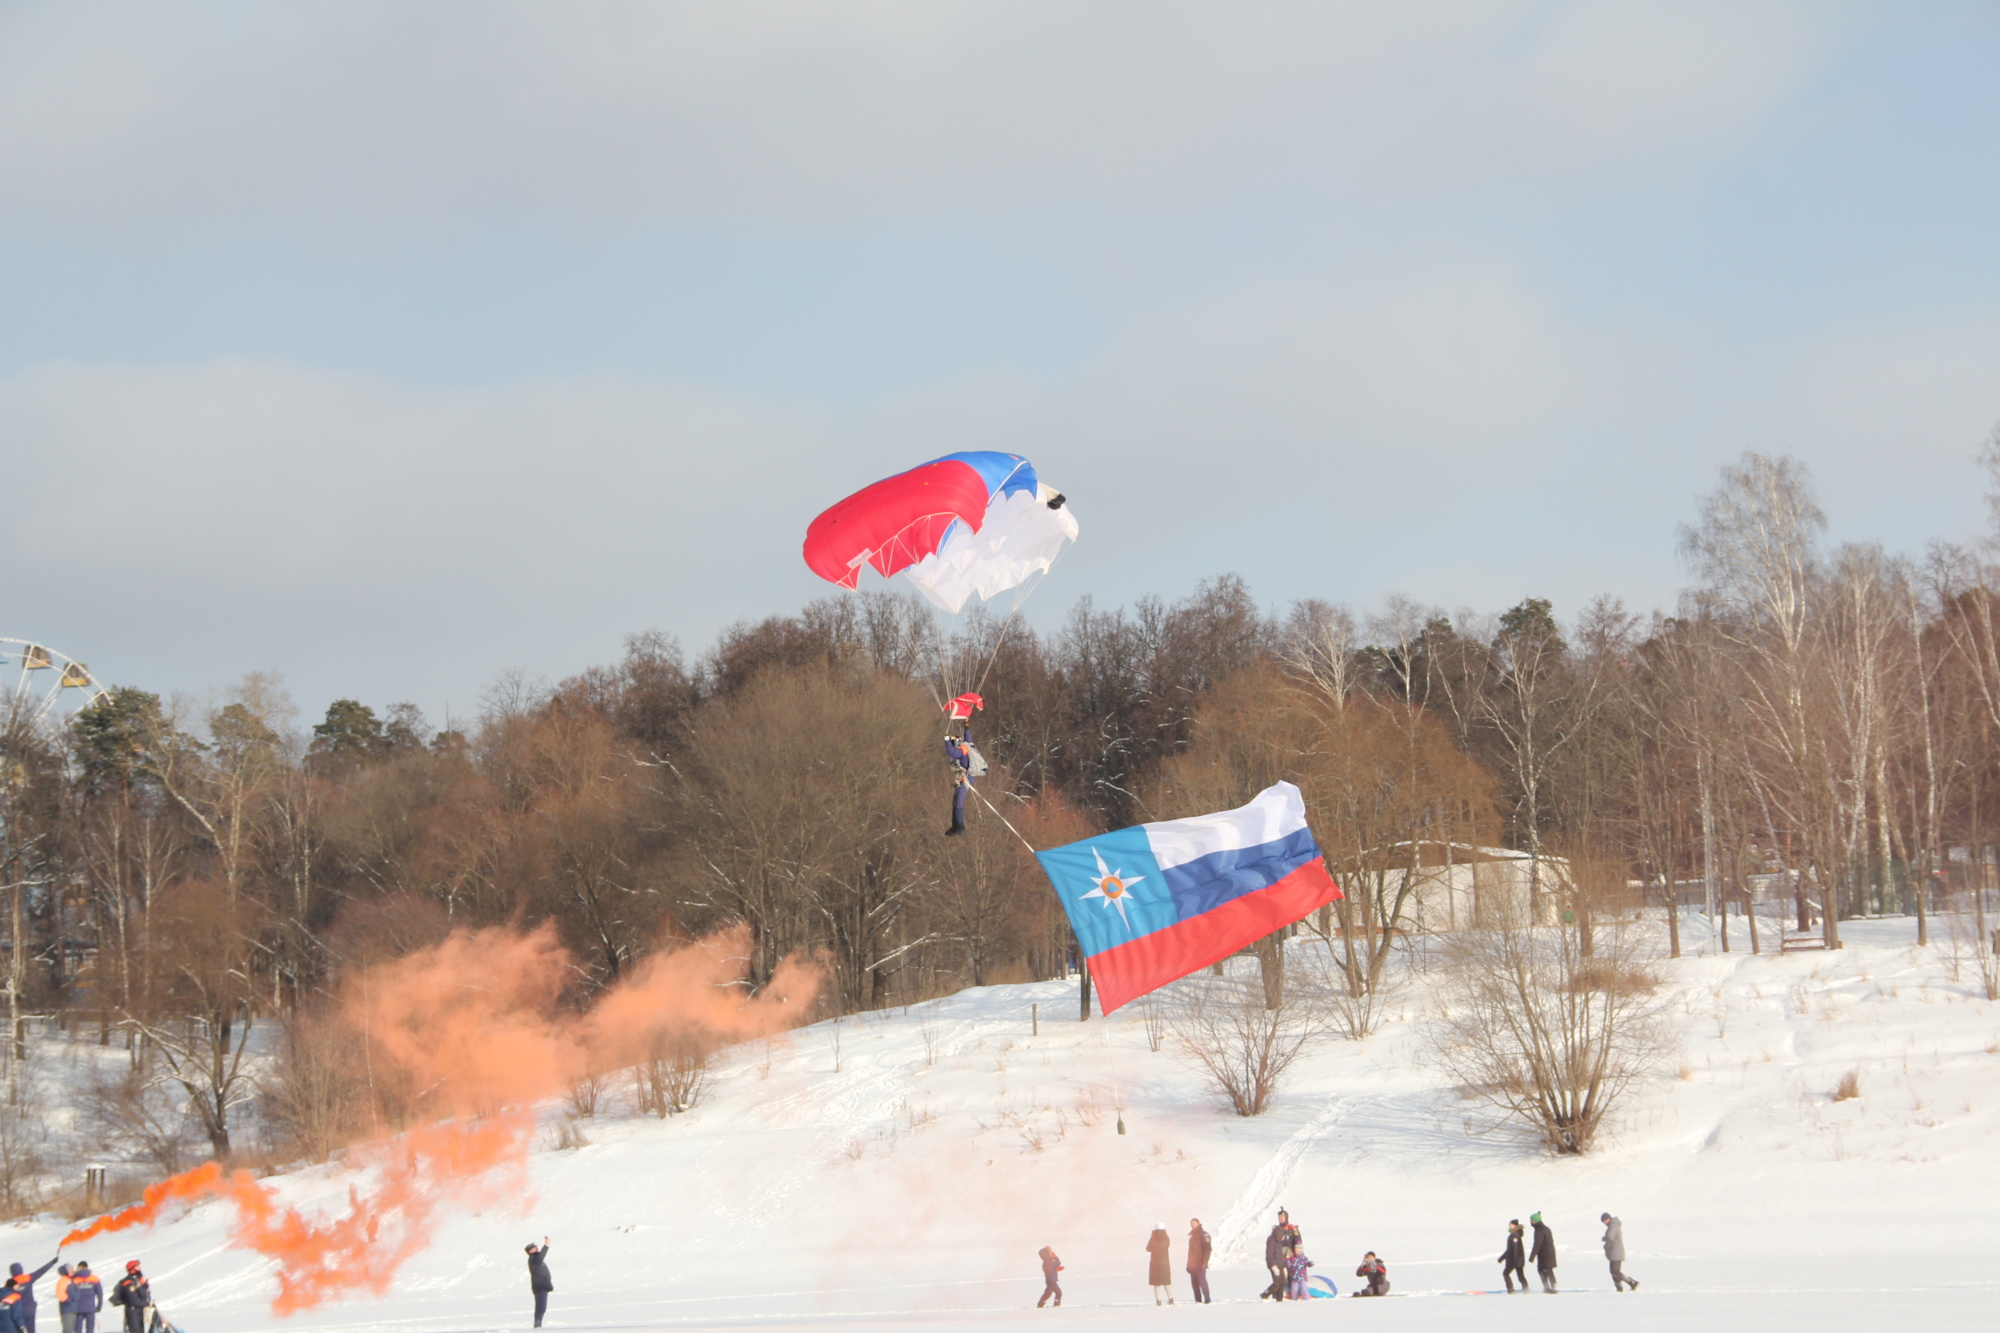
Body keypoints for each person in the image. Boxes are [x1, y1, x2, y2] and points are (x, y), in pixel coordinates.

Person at [6, 1260, 57, 1333]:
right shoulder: (28, 1278)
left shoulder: (9, 1283)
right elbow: (41, 1271)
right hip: (30, 1310)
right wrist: (52, 1262)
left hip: (18, 1312)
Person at [1261, 1208, 1300, 1300]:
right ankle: (1276, 1295)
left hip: (1289, 1254)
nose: (1280, 1218)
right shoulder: (1276, 1230)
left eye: (1282, 1217)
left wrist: (1298, 1255)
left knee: (1289, 1275)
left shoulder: (1292, 1228)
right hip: (1278, 1255)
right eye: (1279, 1217)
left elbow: (1298, 1242)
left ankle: (1291, 1293)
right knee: (1278, 1278)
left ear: (1286, 1217)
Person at [944, 729, 978, 835]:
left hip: (965, 779)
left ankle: (960, 826)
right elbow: (968, 738)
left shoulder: (963, 749)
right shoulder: (969, 745)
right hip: (963, 778)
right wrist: (966, 727)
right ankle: (955, 826)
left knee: (959, 802)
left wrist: (946, 741)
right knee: (955, 801)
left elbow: (952, 752)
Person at [1600, 1213, 1639, 1291]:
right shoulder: (1613, 1225)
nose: (1605, 1222)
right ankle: (1619, 1287)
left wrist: (1604, 1238)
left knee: (1615, 1271)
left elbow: (1610, 1237)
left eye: (1605, 1220)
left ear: (1609, 1219)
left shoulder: (1613, 1225)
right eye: (1603, 1221)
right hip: (1614, 1252)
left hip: (1616, 1252)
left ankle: (1631, 1282)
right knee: (1613, 1271)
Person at [106, 1263, 148, 1333]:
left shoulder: (138, 1280)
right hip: (133, 1312)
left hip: (139, 1311)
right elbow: (134, 1301)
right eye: (137, 1267)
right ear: (132, 1269)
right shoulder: (128, 1282)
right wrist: (147, 1303)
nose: (140, 1268)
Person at [524, 1238, 552, 1329]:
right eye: (534, 1247)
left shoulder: (537, 1259)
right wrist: (546, 1246)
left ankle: (538, 1322)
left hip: (543, 1286)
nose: (536, 1248)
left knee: (543, 1307)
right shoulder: (533, 1259)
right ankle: (537, 1323)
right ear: (530, 1251)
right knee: (541, 1306)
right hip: (539, 1287)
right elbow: (541, 1256)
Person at [65, 1266, 100, 1333]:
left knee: (78, 1329)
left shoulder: (74, 1279)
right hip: (90, 1308)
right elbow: (100, 1293)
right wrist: (99, 1305)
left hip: (78, 1308)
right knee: (90, 1329)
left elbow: (70, 1293)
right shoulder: (94, 1278)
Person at [1529, 1213, 1558, 1293]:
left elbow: (1537, 1244)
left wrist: (1532, 1256)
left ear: (1534, 1221)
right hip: (1550, 1252)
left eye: (1531, 1220)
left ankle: (1547, 1286)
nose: (1530, 1222)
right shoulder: (1546, 1228)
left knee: (1541, 1269)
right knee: (1549, 1269)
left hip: (1544, 1254)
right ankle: (1553, 1285)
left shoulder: (1538, 1230)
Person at [1185, 1218, 1212, 1305]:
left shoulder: (1204, 1235)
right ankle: (1198, 1300)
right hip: (1193, 1263)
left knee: (1202, 1281)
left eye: (1194, 1223)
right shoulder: (1192, 1238)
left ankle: (1207, 1299)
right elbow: (1190, 1252)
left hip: (1201, 1262)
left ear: (1198, 1224)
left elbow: (1208, 1249)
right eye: (1191, 1223)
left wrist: (1205, 1261)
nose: (1192, 1225)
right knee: (1194, 1283)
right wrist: (1188, 1264)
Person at [1146, 1225, 1174, 1305]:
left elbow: (1148, 1248)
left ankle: (1158, 1300)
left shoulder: (1154, 1239)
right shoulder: (1166, 1238)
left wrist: (1152, 1236)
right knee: (1166, 1282)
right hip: (1165, 1263)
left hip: (1155, 1263)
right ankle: (1171, 1298)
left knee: (1156, 1283)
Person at [1498, 1219, 1527, 1293]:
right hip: (1518, 1259)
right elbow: (1509, 1250)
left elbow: (1515, 1249)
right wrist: (1502, 1258)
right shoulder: (1514, 1234)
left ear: (1515, 1226)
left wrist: (1514, 1260)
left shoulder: (1515, 1235)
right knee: (1520, 1276)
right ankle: (1526, 1289)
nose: (1510, 1226)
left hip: (1515, 1259)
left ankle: (1510, 1289)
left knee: (1506, 1273)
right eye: (1509, 1224)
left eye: (1511, 1225)